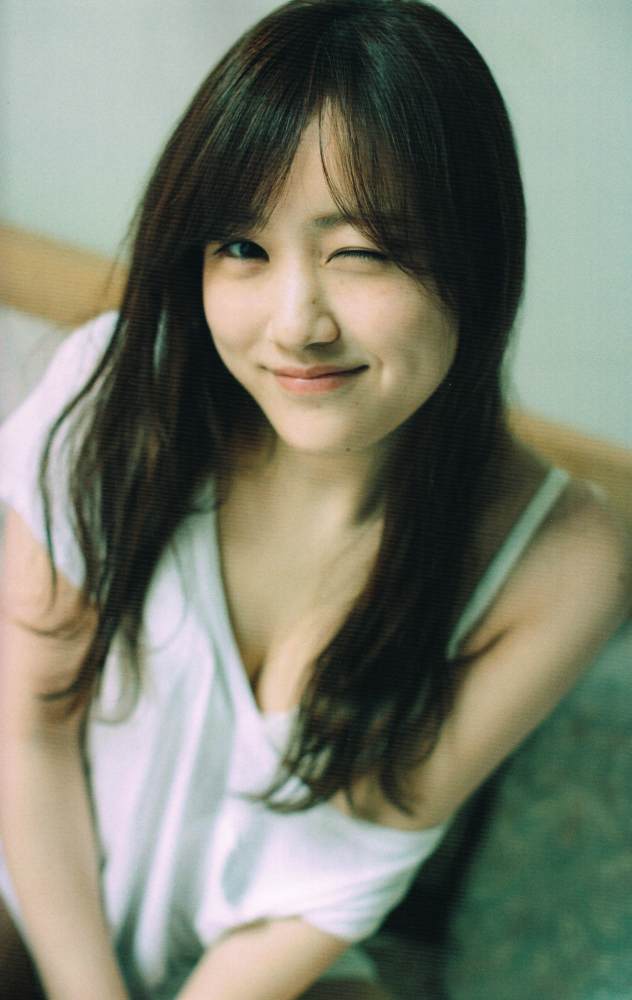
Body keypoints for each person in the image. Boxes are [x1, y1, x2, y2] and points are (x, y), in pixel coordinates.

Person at [0, 1, 630, 998]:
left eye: (362, 251)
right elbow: (28, 728)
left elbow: (329, 887)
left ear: (475, 255)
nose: (296, 323)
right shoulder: (120, 390)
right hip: (38, 876)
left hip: (275, 964)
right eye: (241, 248)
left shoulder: (560, 561)